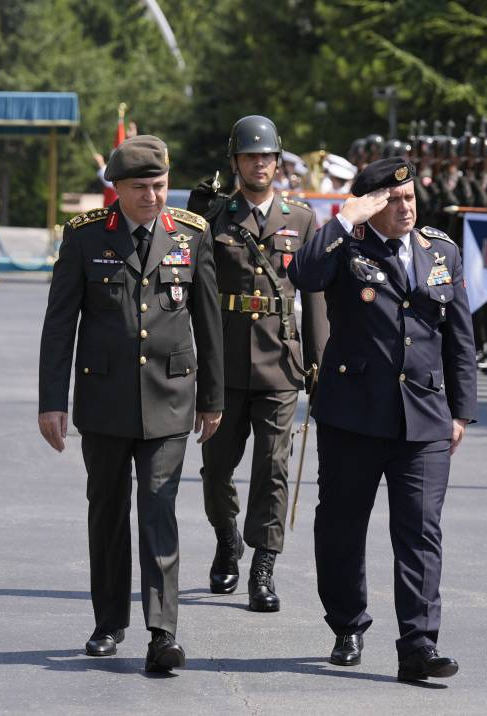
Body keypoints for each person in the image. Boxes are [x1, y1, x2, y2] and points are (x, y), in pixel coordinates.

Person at [38, 135, 224, 673]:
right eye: (141, 187)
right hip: (105, 398)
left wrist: (212, 399)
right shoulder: (85, 237)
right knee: (108, 512)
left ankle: (162, 631)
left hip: (170, 395)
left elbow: (209, 322)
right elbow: (59, 326)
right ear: (115, 189)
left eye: (161, 186)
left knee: (160, 509)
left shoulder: (191, 235)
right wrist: (53, 402)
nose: (153, 196)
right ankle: (108, 620)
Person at [288, 156, 477, 682]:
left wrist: (460, 410)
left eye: (411, 197)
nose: (406, 207)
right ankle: (348, 623)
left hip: (423, 417)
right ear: (370, 205)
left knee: (420, 532)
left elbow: (459, 336)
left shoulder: (440, 250)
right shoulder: (344, 245)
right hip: (353, 415)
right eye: (393, 200)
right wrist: (346, 218)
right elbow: (302, 273)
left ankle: (419, 644)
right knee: (343, 526)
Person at [199, 115, 328, 611]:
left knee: (273, 468)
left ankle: (262, 566)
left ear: (278, 162)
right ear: (235, 162)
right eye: (250, 156)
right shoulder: (214, 218)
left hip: (279, 362)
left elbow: (314, 293)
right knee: (215, 470)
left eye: (267, 156)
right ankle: (227, 537)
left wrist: (318, 359)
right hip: (225, 364)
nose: (260, 164)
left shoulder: (301, 219)